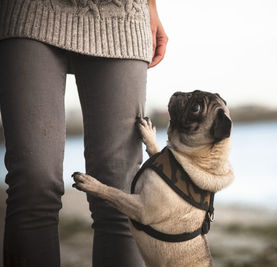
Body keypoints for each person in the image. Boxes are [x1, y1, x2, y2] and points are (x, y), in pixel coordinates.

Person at [0, 0, 167, 266]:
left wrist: (151, 6)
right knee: (33, 183)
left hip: (121, 15)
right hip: (29, 9)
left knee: (120, 194)